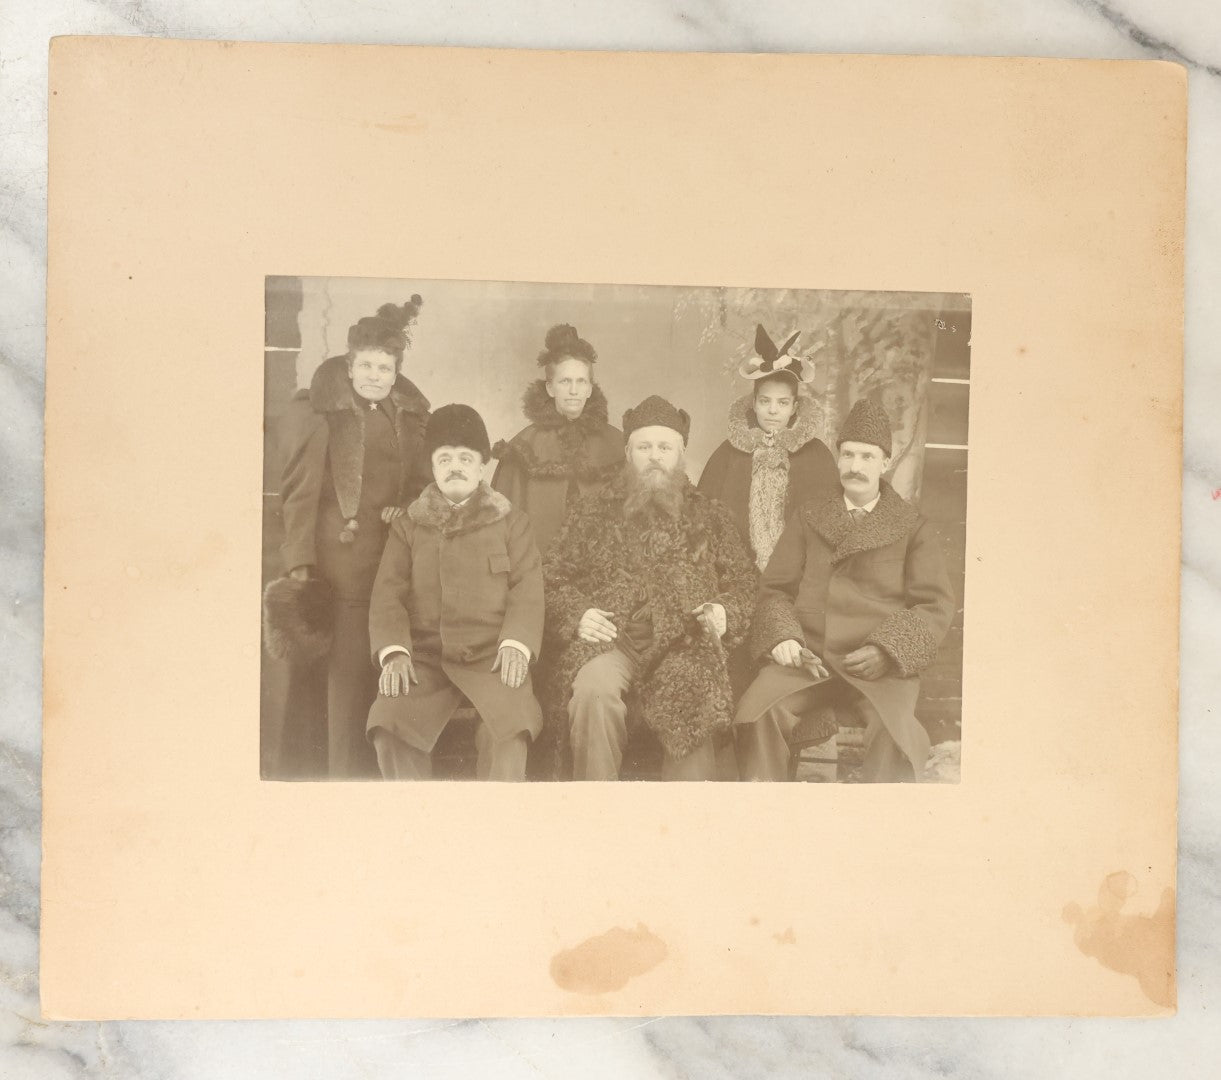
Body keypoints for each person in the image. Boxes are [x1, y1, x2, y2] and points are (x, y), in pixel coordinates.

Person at [733, 398, 955, 782]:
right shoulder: (809, 516)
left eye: (867, 457)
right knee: (757, 714)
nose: (856, 467)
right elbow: (775, 590)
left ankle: (877, 829)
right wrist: (784, 638)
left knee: (894, 735)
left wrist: (887, 651)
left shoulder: (911, 526)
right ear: (837, 460)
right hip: (809, 659)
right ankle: (764, 819)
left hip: (876, 666)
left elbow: (934, 605)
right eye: (848, 455)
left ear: (884, 463)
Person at [540, 395, 757, 780]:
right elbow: (552, 577)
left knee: (694, 696)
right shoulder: (592, 512)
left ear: (681, 452)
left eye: (664, 447)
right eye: (644, 447)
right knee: (593, 693)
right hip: (612, 643)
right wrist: (578, 615)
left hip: (683, 643)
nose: (654, 456)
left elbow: (743, 583)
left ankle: (684, 825)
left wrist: (723, 613)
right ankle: (596, 812)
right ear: (628, 452)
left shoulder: (711, 514)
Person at [274, 297, 430, 779]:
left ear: (396, 369)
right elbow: (299, 492)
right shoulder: (326, 412)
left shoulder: (407, 413)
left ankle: (379, 775)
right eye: (366, 365)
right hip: (340, 561)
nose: (375, 376)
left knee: (379, 666)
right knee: (343, 676)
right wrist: (300, 563)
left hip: (389, 557)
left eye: (385, 367)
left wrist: (406, 508)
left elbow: (422, 480)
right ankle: (342, 778)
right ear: (349, 362)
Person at [366, 404, 544, 781]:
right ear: (432, 467)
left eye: (466, 458)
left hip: (491, 657)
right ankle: (416, 824)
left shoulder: (512, 522)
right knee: (389, 723)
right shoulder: (409, 526)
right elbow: (387, 594)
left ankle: (493, 829)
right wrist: (394, 651)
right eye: (444, 458)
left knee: (510, 729)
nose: (455, 466)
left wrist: (516, 644)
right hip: (426, 661)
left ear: (482, 467)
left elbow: (527, 589)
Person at [697, 324, 839, 572]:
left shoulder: (817, 456)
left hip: (797, 578)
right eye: (765, 401)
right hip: (735, 573)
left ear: (795, 407)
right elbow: (703, 518)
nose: (773, 410)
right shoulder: (728, 454)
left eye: (782, 403)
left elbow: (830, 525)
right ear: (754, 403)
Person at [491, 324, 623, 554]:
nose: (574, 390)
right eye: (565, 382)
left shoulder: (616, 444)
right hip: (540, 571)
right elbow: (502, 525)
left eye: (581, 381)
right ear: (550, 388)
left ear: (590, 389)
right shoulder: (524, 448)